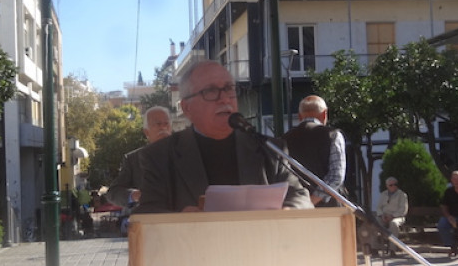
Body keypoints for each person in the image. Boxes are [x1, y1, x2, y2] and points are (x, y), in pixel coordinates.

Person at [135, 60, 313, 213]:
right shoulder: (159, 156)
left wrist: (288, 212)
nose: (225, 99)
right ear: (187, 108)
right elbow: (147, 214)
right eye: (211, 91)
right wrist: (178, 220)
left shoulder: (270, 150)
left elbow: (301, 198)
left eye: (229, 89)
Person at [106, 106, 172, 234]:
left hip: (182, 224)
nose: (163, 128)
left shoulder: (187, 154)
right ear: (146, 132)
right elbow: (113, 193)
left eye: (166, 124)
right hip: (149, 229)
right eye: (158, 124)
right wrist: (134, 195)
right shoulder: (134, 159)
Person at [282, 95, 346, 207]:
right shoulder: (333, 135)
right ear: (324, 114)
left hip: (294, 206)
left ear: (300, 116)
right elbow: (336, 175)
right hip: (329, 208)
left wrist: (302, 203)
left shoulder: (284, 139)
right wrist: (312, 201)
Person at [369, 177, 408, 256]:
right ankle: (374, 248)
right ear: (387, 186)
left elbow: (403, 209)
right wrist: (382, 215)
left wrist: (392, 216)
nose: (393, 186)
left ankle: (392, 249)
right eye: (391, 185)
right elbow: (379, 207)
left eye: (395, 184)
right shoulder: (383, 194)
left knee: (394, 224)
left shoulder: (402, 195)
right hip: (384, 216)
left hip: (397, 216)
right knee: (374, 224)